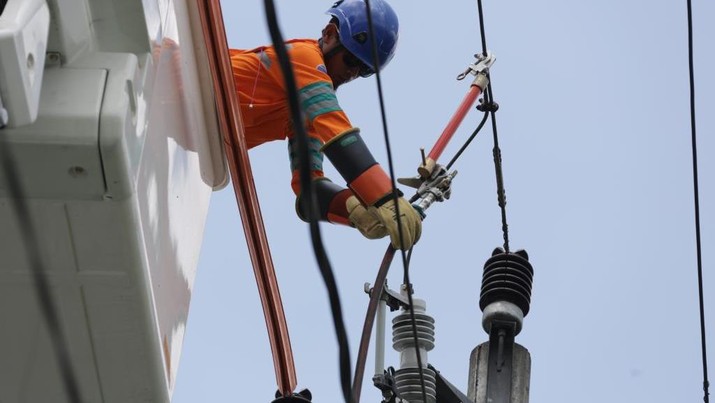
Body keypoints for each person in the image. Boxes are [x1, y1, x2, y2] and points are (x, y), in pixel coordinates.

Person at [229, 0, 421, 250]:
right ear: (329, 35)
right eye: (350, 60)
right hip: (183, 88)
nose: (352, 74)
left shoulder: (304, 111)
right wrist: (384, 196)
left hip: (191, 132)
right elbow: (332, 123)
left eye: (363, 70)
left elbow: (309, 189)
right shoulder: (304, 57)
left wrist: (354, 210)